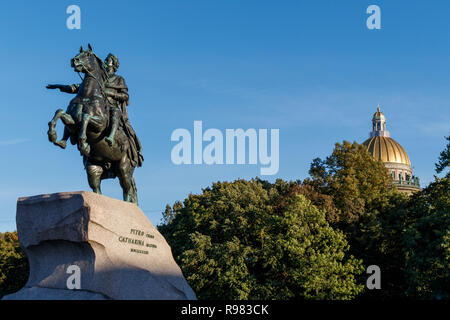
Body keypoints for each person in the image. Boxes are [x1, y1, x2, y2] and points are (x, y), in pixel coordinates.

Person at [47, 53, 143, 167]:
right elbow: (77, 87)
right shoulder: (97, 76)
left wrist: (111, 93)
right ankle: (64, 139)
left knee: (115, 112)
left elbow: (125, 96)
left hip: (110, 105)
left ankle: (111, 136)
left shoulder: (118, 79)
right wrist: (59, 86)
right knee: (75, 108)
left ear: (114, 64)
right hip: (94, 104)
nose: (106, 62)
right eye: (106, 60)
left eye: (108, 60)